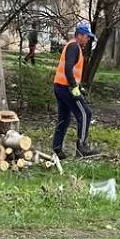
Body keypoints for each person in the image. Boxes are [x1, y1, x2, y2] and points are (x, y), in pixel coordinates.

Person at [52, 22, 99, 159]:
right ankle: (82, 147)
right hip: (67, 88)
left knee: (64, 118)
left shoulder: (71, 45)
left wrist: (80, 87)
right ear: (79, 35)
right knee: (85, 114)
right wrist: (74, 87)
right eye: (87, 36)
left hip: (59, 86)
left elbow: (70, 70)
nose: (88, 39)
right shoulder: (74, 47)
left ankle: (57, 148)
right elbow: (68, 69)